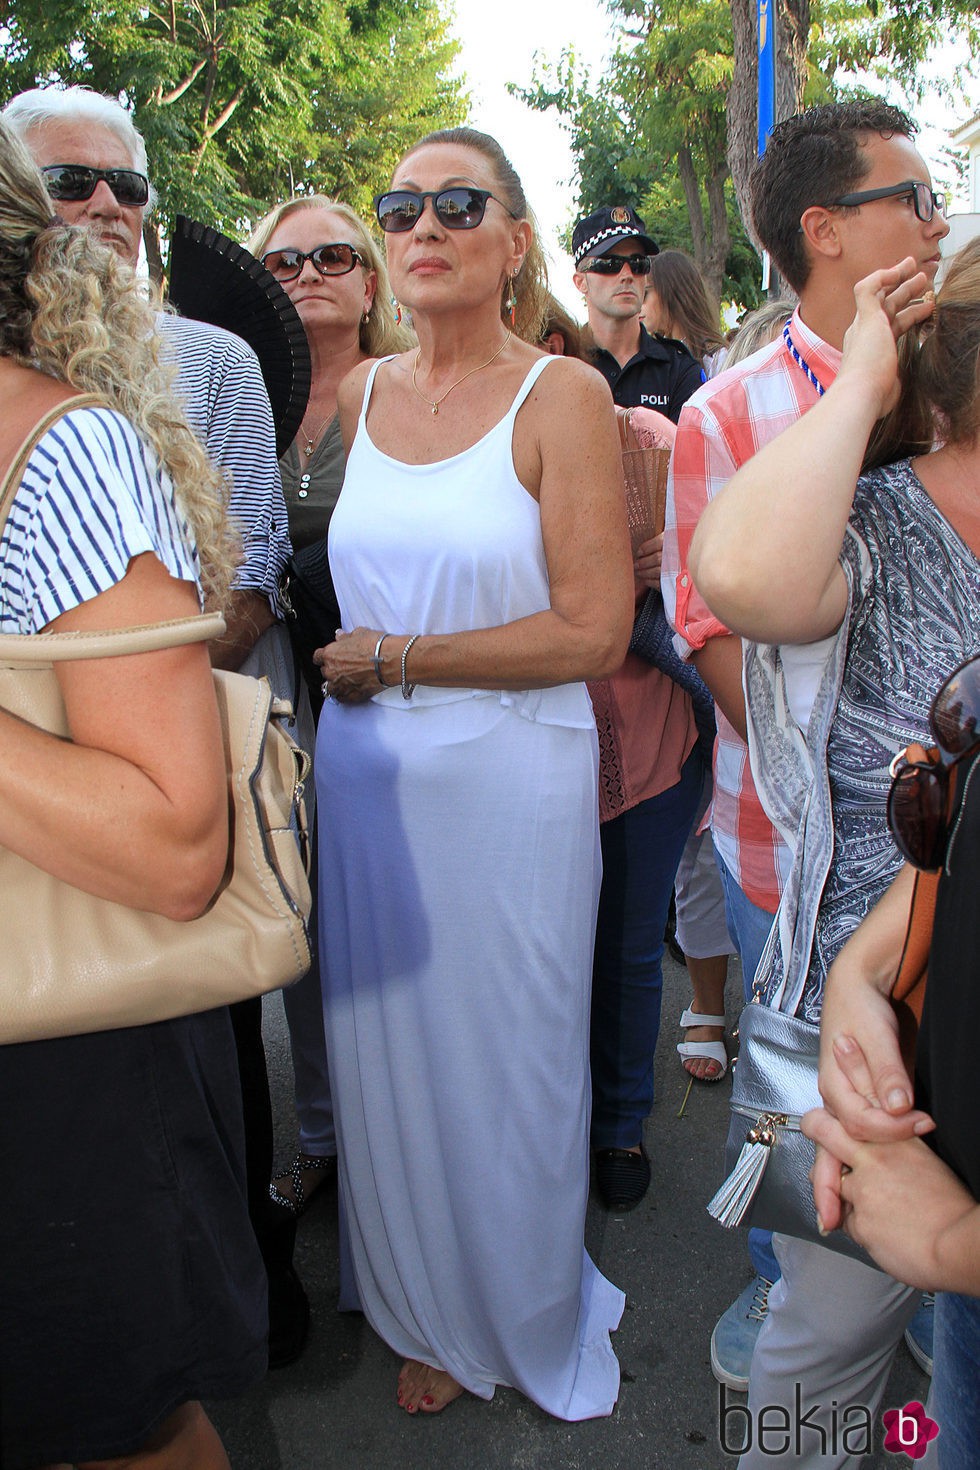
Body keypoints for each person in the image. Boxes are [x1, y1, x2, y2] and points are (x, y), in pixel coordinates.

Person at [315, 125, 633, 1418]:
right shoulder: (359, 394)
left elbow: (594, 630)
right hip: (369, 786)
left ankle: (518, 1304)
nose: (424, 226)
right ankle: (416, 1304)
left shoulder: (560, 395)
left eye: (461, 203)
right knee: (386, 1054)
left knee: (513, 1054)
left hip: (511, 787)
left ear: (513, 243)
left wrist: (396, 656)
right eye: (401, 206)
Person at [2, 82, 308, 1366]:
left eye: (128, 187)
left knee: (113, 1414)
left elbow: (250, 569)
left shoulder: (80, 435)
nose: (110, 210)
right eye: (79, 186)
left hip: (64, 1013)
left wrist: (180, 661)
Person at [661, 98, 948, 1392]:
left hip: (936, 876)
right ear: (828, 230)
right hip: (785, 852)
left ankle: (913, 1316)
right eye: (916, 197)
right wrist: (819, 778)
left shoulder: (956, 378)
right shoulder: (734, 410)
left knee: (923, 1107)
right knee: (801, 1151)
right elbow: (707, 621)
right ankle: (797, 1298)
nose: (939, 223)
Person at [688, 243, 978, 1467]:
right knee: (828, 1336)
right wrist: (857, 382)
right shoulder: (881, 517)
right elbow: (740, 576)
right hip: (879, 1026)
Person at [244, 196, 412, 1216]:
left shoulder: (409, 389)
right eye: (284, 259)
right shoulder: (233, 393)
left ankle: (403, 1130)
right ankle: (319, 1133)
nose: (307, 272)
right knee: (297, 917)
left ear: (368, 280)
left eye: (332, 255)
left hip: (398, 687)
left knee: (395, 919)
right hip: (273, 690)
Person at [573, 204, 703, 419]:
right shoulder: (563, 359)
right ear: (580, 281)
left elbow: (690, 449)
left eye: (638, 264)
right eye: (610, 264)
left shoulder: (677, 368)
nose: (627, 275)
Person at [642, 248, 729, 377]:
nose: (638, 303)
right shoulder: (652, 355)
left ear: (670, 292)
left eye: (644, 293)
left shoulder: (717, 359)